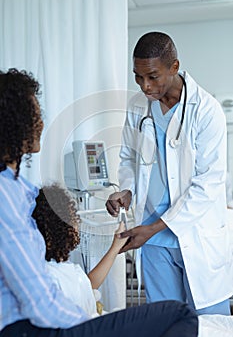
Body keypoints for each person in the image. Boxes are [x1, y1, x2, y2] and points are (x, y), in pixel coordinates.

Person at [0, 68, 198, 337]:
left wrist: (125, 194)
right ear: (15, 122)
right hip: (34, 329)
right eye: (35, 115)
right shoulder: (5, 197)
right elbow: (38, 302)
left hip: (43, 322)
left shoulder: (20, 190)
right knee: (181, 313)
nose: (42, 124)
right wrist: (91, 323)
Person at [106, 31, 233, 315]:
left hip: (195, 234)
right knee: (164, 323)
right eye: (138, 77)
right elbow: (128, 157)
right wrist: (126, 191)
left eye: (152, 76)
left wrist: (153, 228)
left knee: (209, 326)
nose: (145, 86)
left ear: (174, 67)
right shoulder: (138, 107)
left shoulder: (207, 111)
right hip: (153, 241)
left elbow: (207, 184)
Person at [32, 183, 129, 316]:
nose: (78, 224)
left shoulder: (60, 268)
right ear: (59, 227)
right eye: (74, 218)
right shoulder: (55, 276)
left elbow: (88, 284)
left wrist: (115, 247)